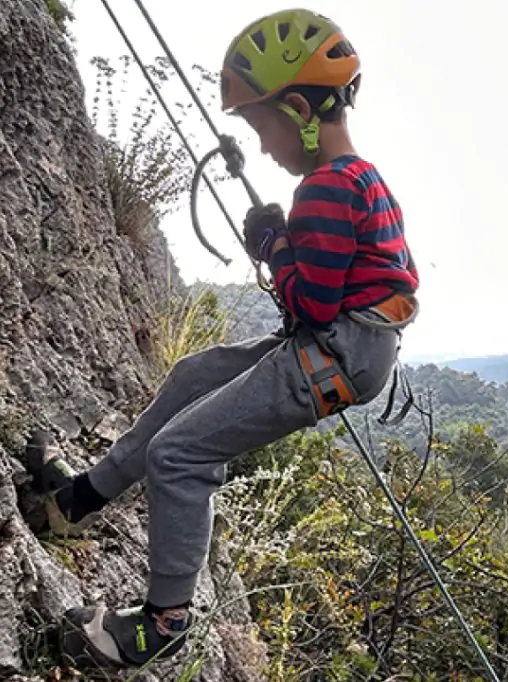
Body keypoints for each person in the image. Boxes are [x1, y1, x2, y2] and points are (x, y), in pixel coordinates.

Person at [27, 8, 419, 670]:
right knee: (191, 376)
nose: (262, 145)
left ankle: (164, 620)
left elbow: (312, 304)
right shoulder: (358, 178)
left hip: (333, 351)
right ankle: (79, 499)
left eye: (261, 125)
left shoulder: (325, 188)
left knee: (180, 455)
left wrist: (272, 245)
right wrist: (285, 243)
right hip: (346, 350)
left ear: (297, 107)